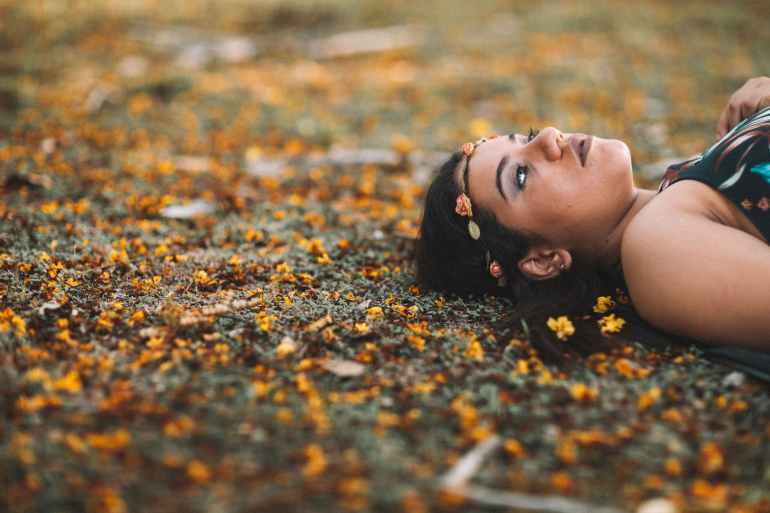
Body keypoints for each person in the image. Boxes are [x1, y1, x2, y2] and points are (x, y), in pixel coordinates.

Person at [415, 76, 770, 381]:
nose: (550, 136)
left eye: (528, 137)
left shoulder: (676, 194)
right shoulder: (657, 248)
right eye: (520, 176)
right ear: (543, 260)